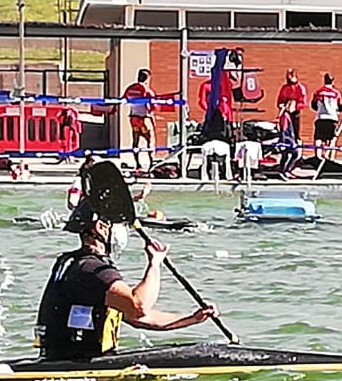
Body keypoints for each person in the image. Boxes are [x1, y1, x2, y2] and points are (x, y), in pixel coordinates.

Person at [34, 198, 216, 361]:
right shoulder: (92, 269)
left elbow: (137, 318)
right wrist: (154, 264)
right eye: (120, 224)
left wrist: (192, 319)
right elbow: (139, 307)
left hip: (63, 356)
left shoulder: (74, 263)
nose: (123, 231)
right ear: (101, 227)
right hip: (77, 362)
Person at [124, 68, 154, 174]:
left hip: (133, 117)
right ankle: (152, 163)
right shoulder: (146, 90)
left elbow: (124, 99)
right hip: (144, 117)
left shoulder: (130, 88)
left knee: (135, 141)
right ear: (147, 78)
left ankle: (137, 163)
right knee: (150, 140)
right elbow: (152, 106)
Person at [312, 73, 342, 159]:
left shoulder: (318, 92)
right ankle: (329, 158)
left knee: (318, 138)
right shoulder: (336, 93)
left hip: (321, 118)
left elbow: (313, 105)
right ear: (332, 81)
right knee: (332, 139)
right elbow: (340, 107)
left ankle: (318, 157)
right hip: (332, 118)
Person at [277, 70, 307, 142]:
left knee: (295, 128)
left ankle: (297, 140)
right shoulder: (285, 88)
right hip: (285, 111)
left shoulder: (300, 88)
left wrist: (295, 106)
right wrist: (282, 105)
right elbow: (280, 100)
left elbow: (303, 102)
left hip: (295, 111)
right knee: (284, 128)